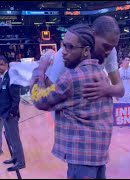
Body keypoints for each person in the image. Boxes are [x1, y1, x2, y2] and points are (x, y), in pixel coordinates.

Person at [31, 24, 112, 179]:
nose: (64, 52)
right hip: (98, 155)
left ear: (86, 51)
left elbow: (39, 100)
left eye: (69, 47)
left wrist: (40, 69)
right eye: (63, 46)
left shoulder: (72, 78)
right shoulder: (101, 73)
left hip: (81, 158)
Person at [0, 55, 26, 171]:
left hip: (10, 115)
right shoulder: (2, 77)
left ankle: (20, 162)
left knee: (15, 139)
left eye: (1, 64)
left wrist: (11, 113)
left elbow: (16, 98)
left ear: (6, 65)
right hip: (4, 114)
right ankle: (15, 157)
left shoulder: (12, 77)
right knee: (10, 138)